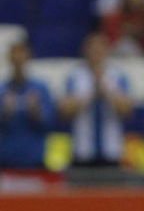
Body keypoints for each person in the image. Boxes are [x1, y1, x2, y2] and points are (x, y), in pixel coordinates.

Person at [58, 33, 134, 167]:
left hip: (111, 150)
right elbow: (64, 112)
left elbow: (127, 111)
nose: (96, 54)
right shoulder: (75, 76)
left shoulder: (118, 75)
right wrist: (91, 93)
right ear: (85, 51)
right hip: (82, 150)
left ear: (107, 51)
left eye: (100, 49)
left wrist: (107, 93)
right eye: (93, 49)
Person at [0, 41, 55, 169]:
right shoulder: (2, 90)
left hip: (34, 159)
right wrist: (5, 113)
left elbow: (51, 124)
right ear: (9, 58)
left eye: (21, 53)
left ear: (28, 57)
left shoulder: (41, 89)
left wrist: (36, 112)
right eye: (15, 54)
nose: (18, 58)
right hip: (6, 159)